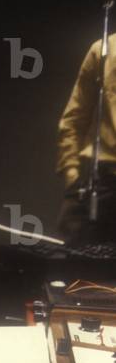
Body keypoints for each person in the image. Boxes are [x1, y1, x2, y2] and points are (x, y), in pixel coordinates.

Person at [56, 32, 116, 244]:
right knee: (77, 260)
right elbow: (74, 118)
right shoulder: (103, 50)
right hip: (102, 181)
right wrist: (72, 174)